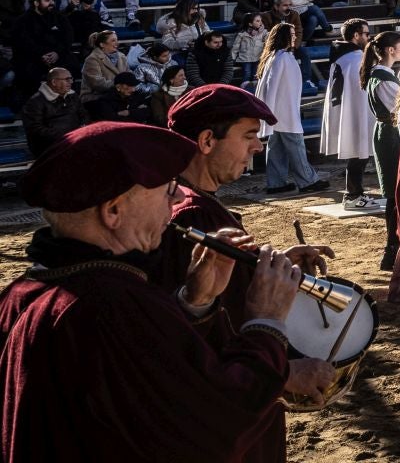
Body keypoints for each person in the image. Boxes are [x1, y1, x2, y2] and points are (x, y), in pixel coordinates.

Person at [0, 121, 303, 460]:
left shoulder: (23, 292)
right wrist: (266, 322)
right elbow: (215, 423)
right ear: (114, 210)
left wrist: (193, 302)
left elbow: (142, 381)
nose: (176, 199)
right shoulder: (109, 304)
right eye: (165, 187)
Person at [160, 85, 339, 460]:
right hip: (226, 422)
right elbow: (198, 336)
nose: (257, 147)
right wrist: (285, 372)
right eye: (249, 136)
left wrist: (269, 264)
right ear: (207, 140)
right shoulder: (194, 217)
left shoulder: (195, 205)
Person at [255, 24, 327, 195]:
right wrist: (268, 112)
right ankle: (307, 180)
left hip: (280, 110)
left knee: (277, 148)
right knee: (296, 145)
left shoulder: (276, 56)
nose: (294, 37)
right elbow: (272, 87)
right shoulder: (282, 58)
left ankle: (276, 183)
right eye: (292, 34)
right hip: (283, 111)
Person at [362, 30, 400, 270]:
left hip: (387, 133)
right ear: (391, 50)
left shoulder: (381, 75)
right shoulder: (384, 79)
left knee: (393, 192)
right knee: (393, 193)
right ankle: (391, 248)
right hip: (391, 135)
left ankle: (393, 247)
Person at [321, 19, 376, 207]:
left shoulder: (342, 55)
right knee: (359, 154)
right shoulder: (355, 57)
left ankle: (354, 192)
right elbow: (360, 89)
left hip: (347, 108)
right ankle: (353, 195)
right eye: (366, 34)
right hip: (355, 109)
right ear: (356, 36)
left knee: (359, 153)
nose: (369, 37)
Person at [22, 66, 82, 156]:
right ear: (54, 82)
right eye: (67, 79)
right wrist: (65, 137)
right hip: (49, 145)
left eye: (71, 79)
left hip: (74, 139)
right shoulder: (35, 102)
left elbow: (83, 115)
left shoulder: (73, 96)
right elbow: (36, 129)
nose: (71, 82)